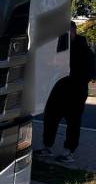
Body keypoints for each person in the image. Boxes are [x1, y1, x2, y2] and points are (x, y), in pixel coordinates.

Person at [35, 21, 95, 163]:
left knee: (73, 123)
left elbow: (89, 73)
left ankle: (69, 152)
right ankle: (47, 147)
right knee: (50, 119)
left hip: (75, 94)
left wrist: (67, 70)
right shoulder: (59, 48)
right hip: (56, 92)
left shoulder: (85, 51)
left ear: (74, 32)